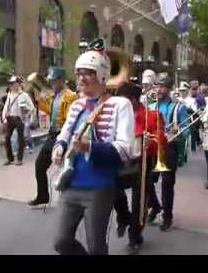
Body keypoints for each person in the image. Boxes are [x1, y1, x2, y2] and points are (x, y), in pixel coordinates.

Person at [51, 39, 134, 255]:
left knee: (97, 247)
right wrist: (59, 146)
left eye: (87, 72)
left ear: (101, 75)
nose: (80, 78)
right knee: (61, 242)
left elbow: (125, 149)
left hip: (99, 187)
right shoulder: (77, 104)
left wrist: (89, 148)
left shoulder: (120, 105)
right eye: (78, 73)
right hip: (71, 184)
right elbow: (65, 133)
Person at [113, 82, 165, 254]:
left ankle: (134, 237)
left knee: (139, 202)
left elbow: (161, 139)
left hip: (141, 162)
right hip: (120, 159)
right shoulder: (117, 114)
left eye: (123, 99)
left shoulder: (152, 115)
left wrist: (151, 142)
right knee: (112, 190)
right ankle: (123, 216)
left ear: (134, 100)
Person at [28, 67, 77, 207]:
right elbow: (47, 109)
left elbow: (70, 119)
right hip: (52, 134)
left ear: (61, 80)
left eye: (54, 81)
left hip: (63, 134)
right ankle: (43, 196)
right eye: (51, 81)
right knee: (40, 165)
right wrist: (35, 97)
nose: (52, 84)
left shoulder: (69, 96)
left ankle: (68, 201)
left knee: (65, 168)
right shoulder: (54, 95)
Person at [146, 73, 179, 231]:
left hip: (169, 148)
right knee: (146, 181)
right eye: (157, 86)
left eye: (163, 86)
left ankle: (167, 216)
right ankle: (155, 205)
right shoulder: (150, 106)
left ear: (170, 88)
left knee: (167, 184)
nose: (159, 89)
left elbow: (185, 133)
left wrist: (177, 132)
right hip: (153, 147)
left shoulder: (177, 106)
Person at [1, 76, 34, 166]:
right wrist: (3, 117)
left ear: (18, 84)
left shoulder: (24, 95)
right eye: (10, 84)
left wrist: (26, 115)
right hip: (10, 118)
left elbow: (32, 108)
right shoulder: (10, 94)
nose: (11, 85)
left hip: (19, 119)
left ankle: (19, 159)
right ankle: (10, 158)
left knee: (21, 139)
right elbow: (6, 106)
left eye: (13, 83)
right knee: (7, 138)